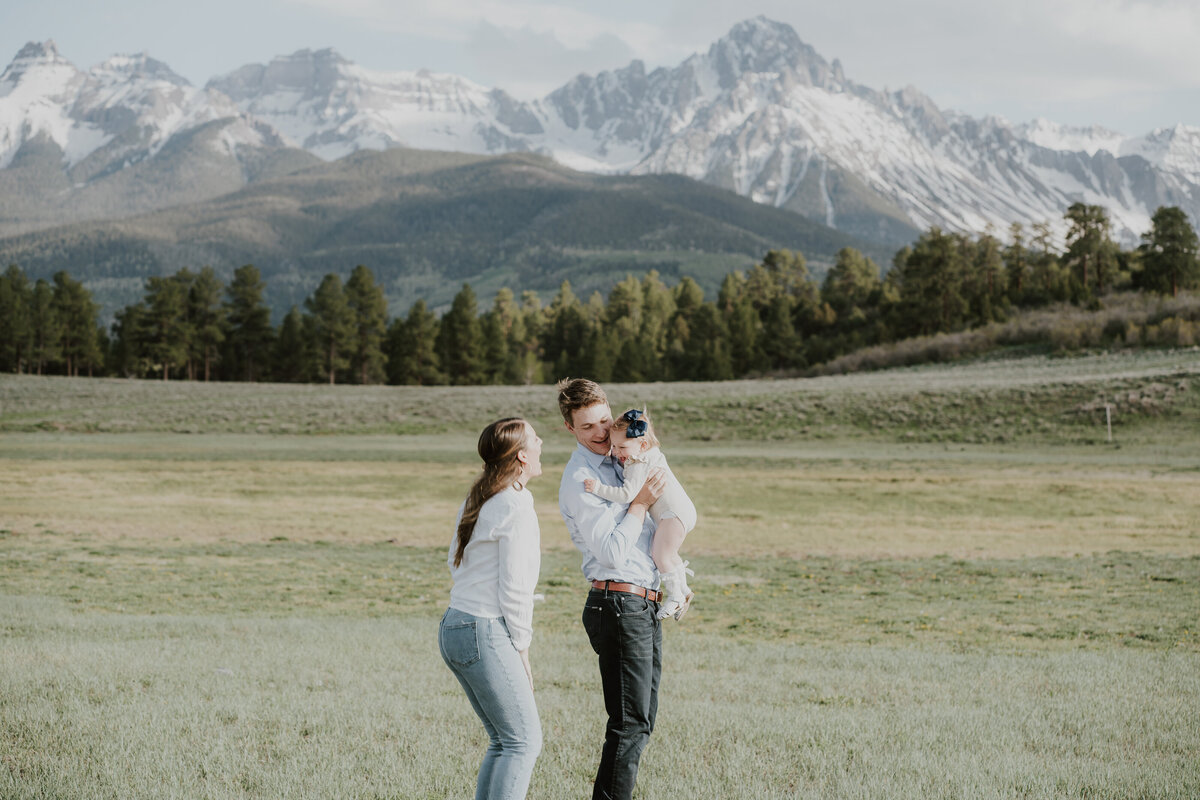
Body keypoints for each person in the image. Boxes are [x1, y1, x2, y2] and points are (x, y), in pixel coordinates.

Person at [557, 378, 667, 800]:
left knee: (640, 722)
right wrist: (638, 503)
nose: (601, 432)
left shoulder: (624, 459)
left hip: (641, 601)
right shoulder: (581, 478)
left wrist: (670, 578)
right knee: (628, 724)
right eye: (588, 427)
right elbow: (612, 551)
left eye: (604, 420)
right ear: (570, 429)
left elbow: (645, 540)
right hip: (617, 603)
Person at [438, 417, 544, 800]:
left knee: (504, 741)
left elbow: (455, 561)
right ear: (521, 457)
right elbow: (516, 588)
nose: (541, 442)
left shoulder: (481, 497)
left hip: (455, 625)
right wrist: (523, 650)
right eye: (535, 439)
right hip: (483, 630)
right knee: (523, 743)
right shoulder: (515, 505)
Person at [583, 407, 697, 620]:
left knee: (660, 554)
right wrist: (624, 450)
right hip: (681, 512)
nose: (616, 452)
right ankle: (683, 590)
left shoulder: (638, 463)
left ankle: (675, 596)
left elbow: (627, 494)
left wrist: (598, 488)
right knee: (669, 553)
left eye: (621, 447)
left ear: (642, 444)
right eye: (614, 446)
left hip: (673, 515)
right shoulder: (650, 454)